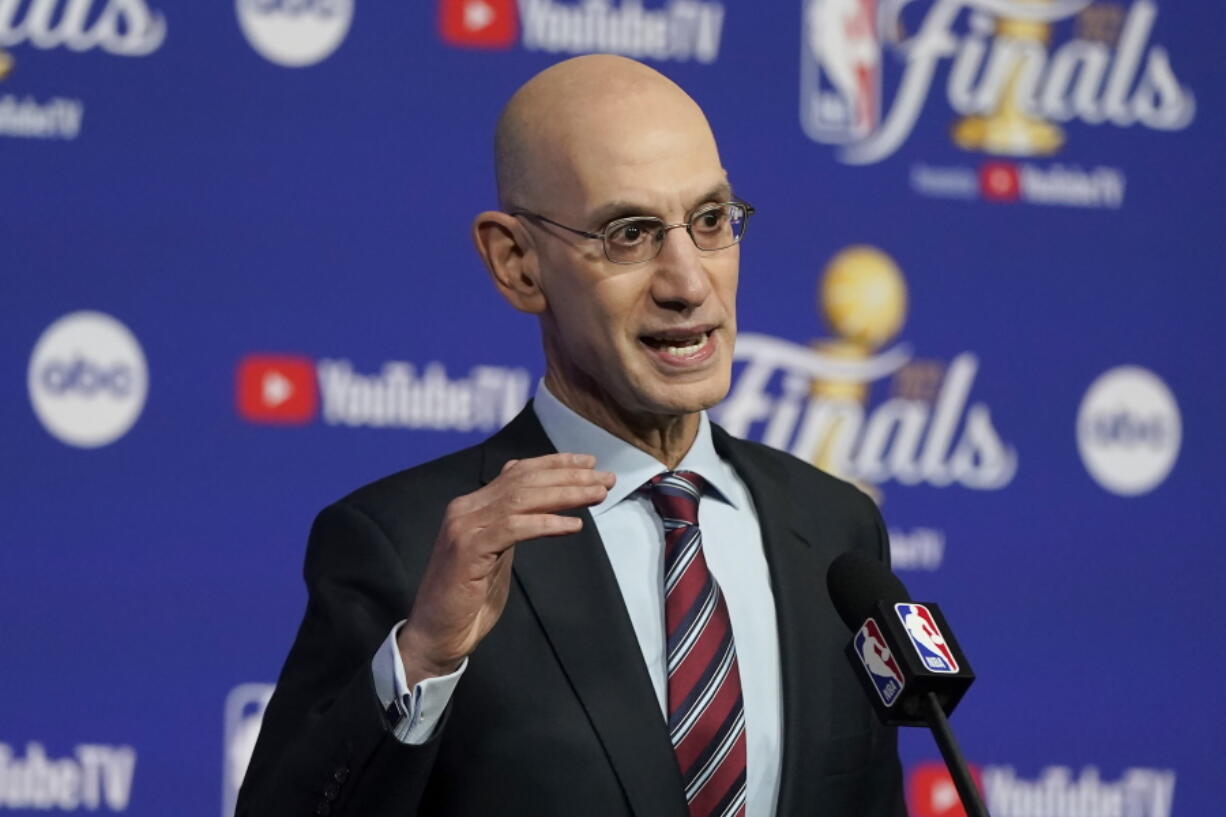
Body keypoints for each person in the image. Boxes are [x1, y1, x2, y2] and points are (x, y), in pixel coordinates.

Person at [236, 55, 906, 817]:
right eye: (629, 234)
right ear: (516, 262)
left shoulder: (835, 532)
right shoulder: (407, 547)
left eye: (712, 221)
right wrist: (423, 658)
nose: (688, 281)